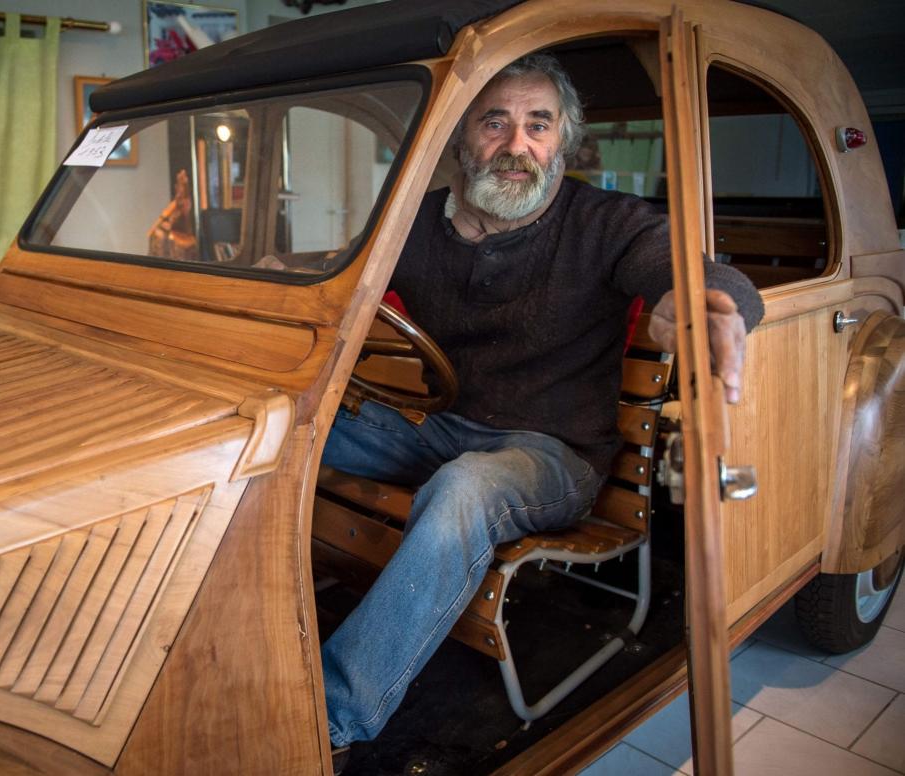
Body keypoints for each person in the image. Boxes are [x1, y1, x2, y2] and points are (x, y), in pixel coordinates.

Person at [320, 53, 764, 748]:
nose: (516, 144)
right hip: (440, 430)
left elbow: (683, 266)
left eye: (538, 125)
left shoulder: (604, 222)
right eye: (495, 121)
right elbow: (334, 281)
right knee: (297, 428)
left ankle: (331, 720)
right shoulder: (416, 225)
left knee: (464, 488)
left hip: (553, 455)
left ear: (562, 143)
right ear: (461, 138)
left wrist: (710, 303)